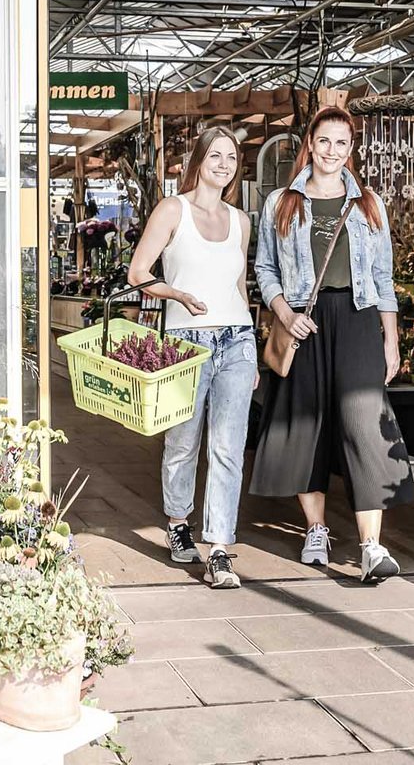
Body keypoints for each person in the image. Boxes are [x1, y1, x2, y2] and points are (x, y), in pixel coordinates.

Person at [251, 106, 414, 582]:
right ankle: (316, 529)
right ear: (310, 142)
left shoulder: (369, 204)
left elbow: (382, 277)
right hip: (304, 320)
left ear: (351, 148)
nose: (332, 151)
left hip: (358, 318)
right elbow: (265, 269)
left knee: (365, 424)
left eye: (341, 143)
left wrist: (391, 340)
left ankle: (371, 547)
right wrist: (286, 314)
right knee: (307, 425)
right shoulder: (283, 201)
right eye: (324, 140)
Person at [125, 126, 255, 590]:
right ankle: (178, 522)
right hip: (187, 344)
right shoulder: (172, 209)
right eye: (215, 155)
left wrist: (251, 350)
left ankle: (219, 549)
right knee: (183, 442)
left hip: (237, 340)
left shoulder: (240, 221)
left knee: (228, 448)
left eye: (231, 157)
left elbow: (238, 285)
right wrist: (177, 294)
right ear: (198, 160)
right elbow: (138, 273)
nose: (224, 164)